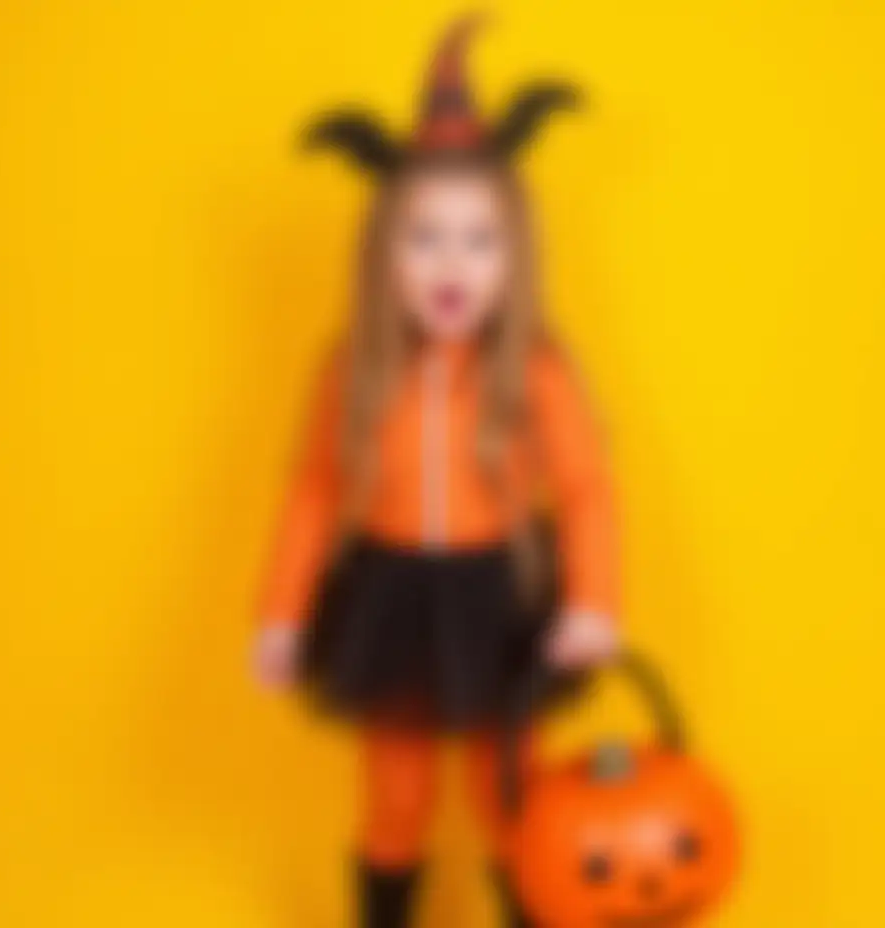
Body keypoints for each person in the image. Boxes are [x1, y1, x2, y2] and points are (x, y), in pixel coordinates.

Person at [253, 16, 620, 926]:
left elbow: (586, 494)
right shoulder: (354, 368)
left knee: (509, 798)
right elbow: (312, 493)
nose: (450, 264)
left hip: (499, 596)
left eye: (479, 241)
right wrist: (280, 612)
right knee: (396, 798)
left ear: (514, 257)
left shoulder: (535, 369)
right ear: (383, 253)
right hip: (388, 600)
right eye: (424, 239)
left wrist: (594, 602)